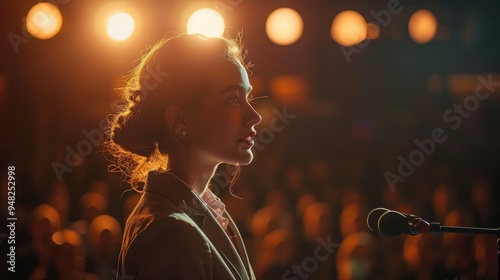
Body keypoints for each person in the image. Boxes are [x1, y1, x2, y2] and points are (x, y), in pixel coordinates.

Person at [105, 33, 262, 279]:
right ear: (180, 120)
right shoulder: (172, 231)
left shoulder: (198, 215)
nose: (254, 116)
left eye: (247, 97)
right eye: (232, 99)